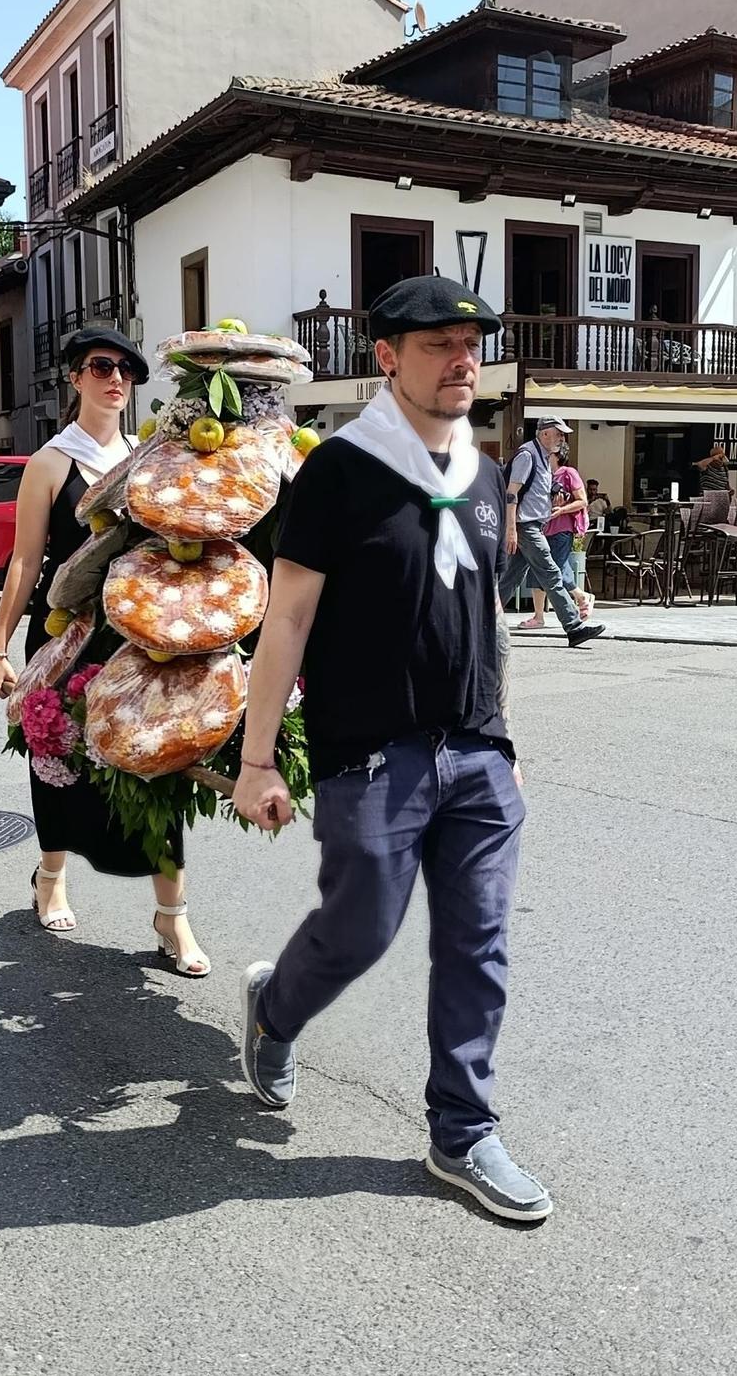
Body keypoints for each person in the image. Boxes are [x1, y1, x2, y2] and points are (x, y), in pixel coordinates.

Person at [231, 274, 554, 1222]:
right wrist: (256, 761)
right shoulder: (339, 471)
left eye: (471, 345)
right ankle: (275, 1011)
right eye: (437, 345)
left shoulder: (485, 477)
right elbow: (287, 621)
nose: (462, 361)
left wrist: (502, 734)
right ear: (387, 357)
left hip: (477, 757)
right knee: (362, 928)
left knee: (478, 944)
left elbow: (486, 617)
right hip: (373, 755)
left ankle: (462, 1132)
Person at [0, 327, 210, 976]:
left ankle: (172, 916)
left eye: (126, 371)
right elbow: (26, 560)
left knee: (161, 769)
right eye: (101, 367)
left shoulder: (151, 456)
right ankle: (51, 876)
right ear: (75, 378)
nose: (115, 379)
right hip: (64, 634)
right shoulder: (50, 463)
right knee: (58, 762)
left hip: (139, 638)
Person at [496, 417, 605, 647]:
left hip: (532, 526)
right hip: (527, 527)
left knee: (510, 579)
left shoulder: (543, 457)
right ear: (544, 433)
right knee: (552, 574)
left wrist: (553, 493)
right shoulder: (528, 455)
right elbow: (511, 493)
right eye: (559, 433)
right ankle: (574, 627)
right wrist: (511, 529)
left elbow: (532, 489)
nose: (562, 438)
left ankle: (481, 621)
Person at [523, 449, 592, 629]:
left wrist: (561, 510)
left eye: (549, 453)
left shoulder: (568, 473)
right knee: (538, 569)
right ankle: (539, 616)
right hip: (542, 529)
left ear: (557, 455)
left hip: (562, 530)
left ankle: (580, 597)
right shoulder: (544, 475)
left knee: (553, 569)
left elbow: (582, 501)